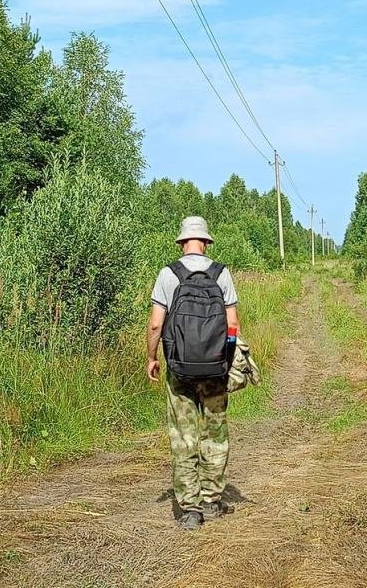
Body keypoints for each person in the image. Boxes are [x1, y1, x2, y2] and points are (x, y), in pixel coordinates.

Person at [147, 216, 240, 530]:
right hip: (216, 369)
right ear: (206, 242)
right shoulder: (221, 273)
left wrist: (152, 357)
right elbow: (233, 325)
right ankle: (212, 502)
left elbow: (156, 324)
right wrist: (225, 359)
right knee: (215, 434)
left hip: (179, 370)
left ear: (182, 242)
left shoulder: (168, 275)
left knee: (184, 438)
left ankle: (190, 510)